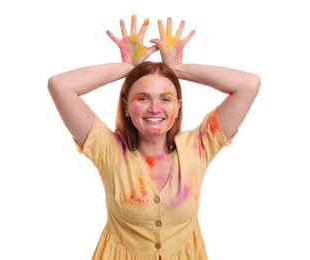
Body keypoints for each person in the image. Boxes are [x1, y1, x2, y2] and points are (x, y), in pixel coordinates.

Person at [48, 14, 260, 260]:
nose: (154, 108)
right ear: (126, 107)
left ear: (178, 106)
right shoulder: (108, 150)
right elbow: (60, 86)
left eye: (165, 98)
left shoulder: (198, 146)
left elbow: (249, 85)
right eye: (143, 98)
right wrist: (128, 67)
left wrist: (178, 69)